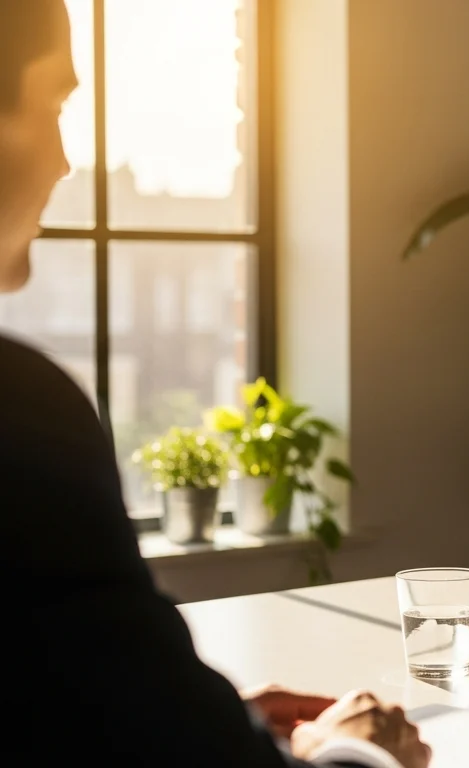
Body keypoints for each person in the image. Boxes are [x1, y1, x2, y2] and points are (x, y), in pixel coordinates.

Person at [2, 2, 430, 765]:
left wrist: (189, 726)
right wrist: (354, 754)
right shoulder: (19, 415)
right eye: (54, 105)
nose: (66, 161)